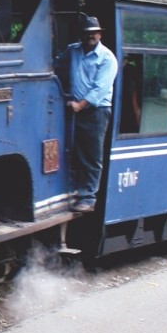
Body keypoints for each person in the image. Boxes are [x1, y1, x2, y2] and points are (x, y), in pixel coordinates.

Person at [65, 14, 117, 213]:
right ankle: (74, 191)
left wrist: (80, 105)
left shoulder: (107, 58)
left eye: (94, 33)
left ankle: (88, 197)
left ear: (100, 34)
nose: (91, 36)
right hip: (74, 108)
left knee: (92, 154)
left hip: (96, 110)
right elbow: (58, 65)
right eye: (87, 33)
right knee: (74, 150)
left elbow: (99, 89)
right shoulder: (72, 51)